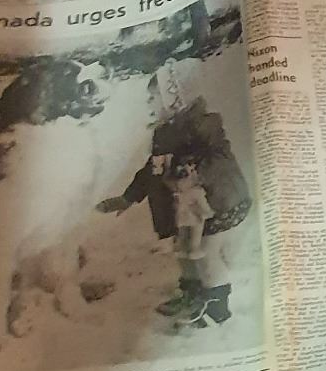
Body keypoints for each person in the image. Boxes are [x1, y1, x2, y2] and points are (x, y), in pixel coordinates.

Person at [99, 94, 250, 327]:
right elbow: (153, 170)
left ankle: (217, 307)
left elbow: (218, 161)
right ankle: (192, 294)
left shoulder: (203, 130)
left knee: (206, 254)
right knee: (184, 250)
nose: (151, 107)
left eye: (154, 101)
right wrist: (128, 197)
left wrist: (194, 169)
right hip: (189, 208)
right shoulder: (165, 137)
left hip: (219, 204)